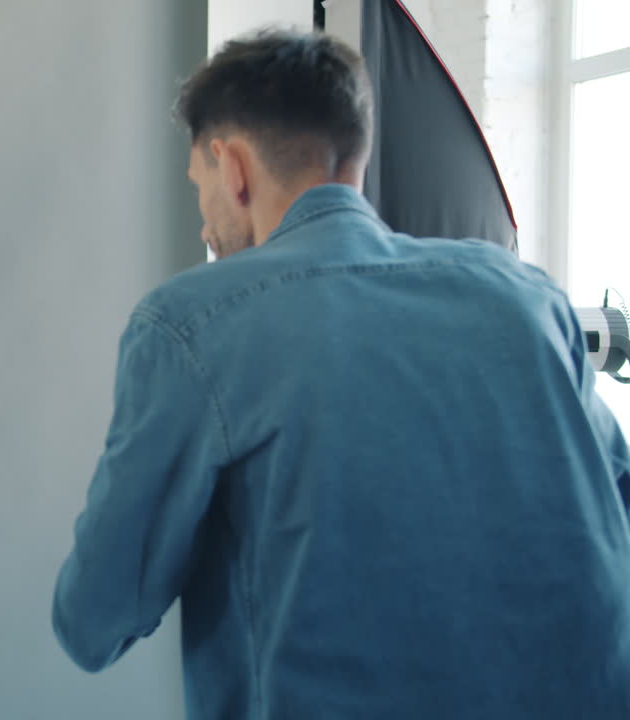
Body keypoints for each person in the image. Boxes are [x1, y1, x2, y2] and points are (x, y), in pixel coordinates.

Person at [52, 28, 630, 719]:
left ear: (231, 165)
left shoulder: (190, 325)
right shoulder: (528, 298)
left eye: (199, 185)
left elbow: (93, 620)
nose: (205, 223)